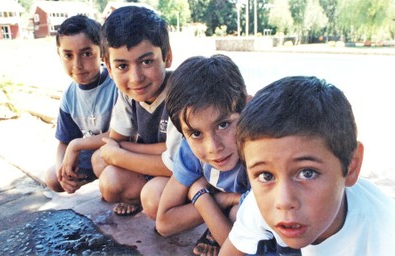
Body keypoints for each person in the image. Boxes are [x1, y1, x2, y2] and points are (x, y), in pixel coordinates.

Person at [220, 76, 395, 256]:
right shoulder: (261, 203)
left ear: (351, 166)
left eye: (307, 173)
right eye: (266, 175)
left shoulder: (384, 238)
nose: (284, 201)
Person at [156, 54, 251, 256]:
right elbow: (164, 222)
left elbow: (237, 253)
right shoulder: (190, 149)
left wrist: (198, 193)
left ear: (247, 107)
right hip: (232, 213)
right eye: (196, 133)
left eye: (223, 125)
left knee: (237, 212)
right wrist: (221, 200)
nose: (213, 147)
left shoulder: (261, 153)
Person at [92, 6, 181, 218]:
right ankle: (137, 196)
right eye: (122, 66)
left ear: (167, 57)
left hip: (184, 174)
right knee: (100, 162)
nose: (136, 78)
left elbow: (176, 165)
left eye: (146, 61)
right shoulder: (128, 93)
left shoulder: (181, 93)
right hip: (155, 164)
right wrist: (119, 152)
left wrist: (120, 153)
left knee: (154, 199)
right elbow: (113, 142)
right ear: (109, 68)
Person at [45, 15, 118, 194]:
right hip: (91, 154)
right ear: (59, 55)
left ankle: (126, 193)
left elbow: (123, 134)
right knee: (52, 178)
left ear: (101, 51)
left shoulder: (116, 85)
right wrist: (63, 171)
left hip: (119, 151)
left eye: (86, 54)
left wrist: (77, 145)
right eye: (68, 55)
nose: (77, 65)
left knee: (100, 160)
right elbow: (64, 141)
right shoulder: (70, 96)